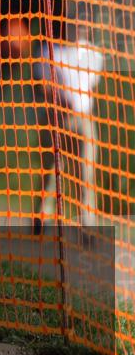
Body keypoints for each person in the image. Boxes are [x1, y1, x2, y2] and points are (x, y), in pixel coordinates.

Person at [31, 20, 103, 232]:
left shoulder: (93, 54)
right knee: (51, 172)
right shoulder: (51, 51)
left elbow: (91, 86)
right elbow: (43, 85)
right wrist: (59, 98)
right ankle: (41, 220)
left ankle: (87, 226)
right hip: (56, 119)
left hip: (82, 119)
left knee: (86, 173)